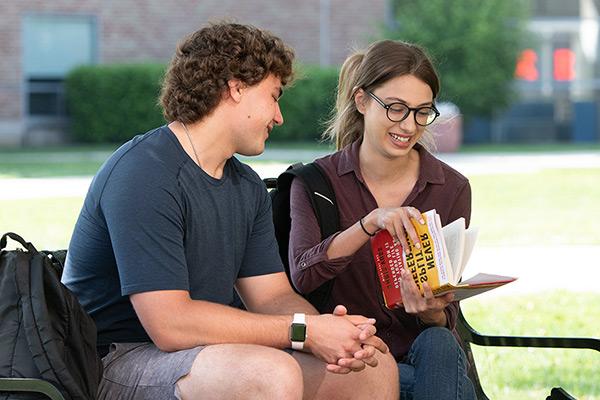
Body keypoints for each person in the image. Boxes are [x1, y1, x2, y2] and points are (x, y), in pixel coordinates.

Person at [62, 22, 399, 400]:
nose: (279, 116)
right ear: (236, 87)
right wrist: (303, 331)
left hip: (204, 352)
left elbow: (271, 298)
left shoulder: (246, 186)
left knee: (372, 368)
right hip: (114, 361)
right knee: (268, 374)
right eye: (274, 96)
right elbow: (170, 324)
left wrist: (334, 333)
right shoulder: (144, 174)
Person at [288, 39, 476, 400]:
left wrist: (432, 312)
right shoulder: (315, 184)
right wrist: (367, 225)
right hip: (352, 358)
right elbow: (304, 275)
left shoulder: (450, 188)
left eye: (422, 111)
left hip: (426, 357)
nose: (409, 125)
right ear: (362, 101)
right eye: (396, 108)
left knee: (439, 341)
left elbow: (446, 316)